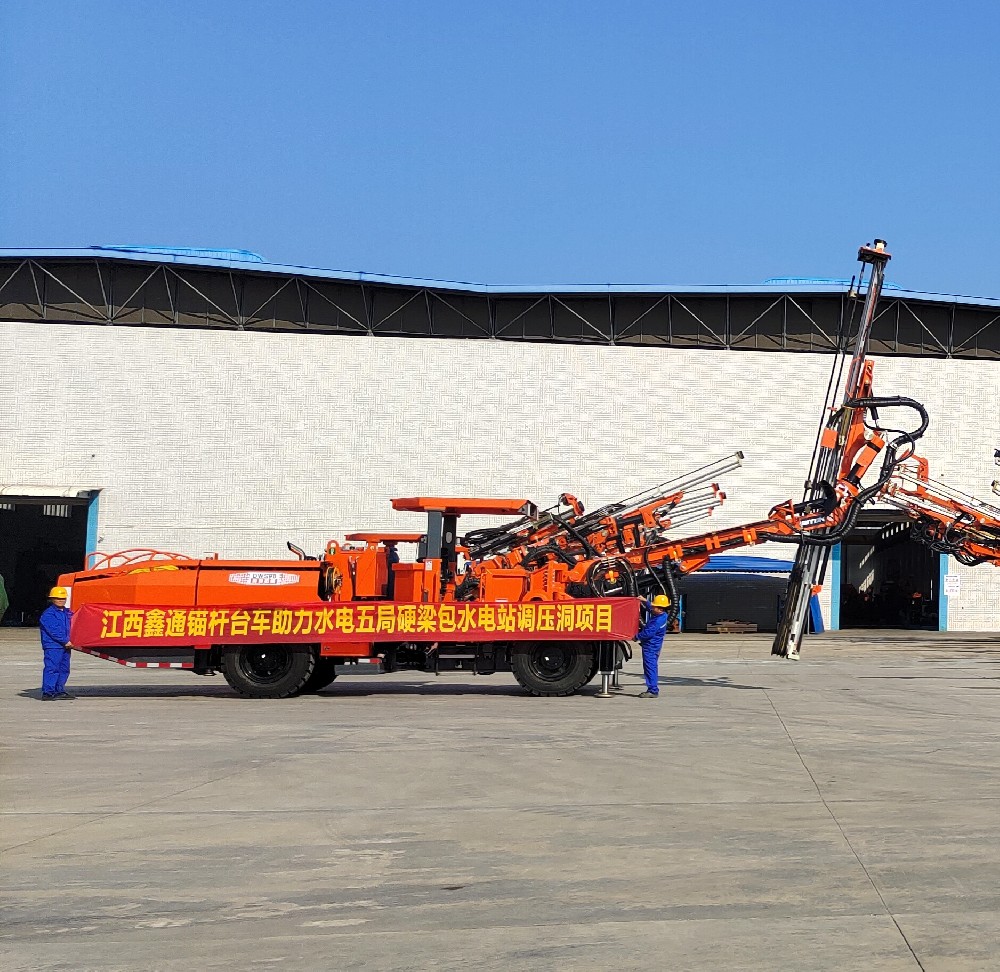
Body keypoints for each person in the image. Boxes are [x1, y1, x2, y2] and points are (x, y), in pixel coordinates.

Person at [39, 586, 74, 700]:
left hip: (65, 646)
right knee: (52, 668)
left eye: (63, 598)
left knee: (64, 669)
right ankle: (48, 692)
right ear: (52, 599)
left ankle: (59, 690)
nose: (61, 600)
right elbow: (54, 631)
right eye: (58, 598)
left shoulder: (67, 612)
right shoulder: (48, 614)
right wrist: (65, 641)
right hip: (53, 646)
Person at [637, 593, 670, 699]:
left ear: (660, 609)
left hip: (650, 647)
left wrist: (636, 637)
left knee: (650, 668)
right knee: (652, 667)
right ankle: (652, 689)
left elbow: (647, 633)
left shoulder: (657, 621)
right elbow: (651, 608)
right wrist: (644, 601)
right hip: (654, 646)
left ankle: (653, 690)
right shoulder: (662, 615)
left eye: (654, 606)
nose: (652, 607)